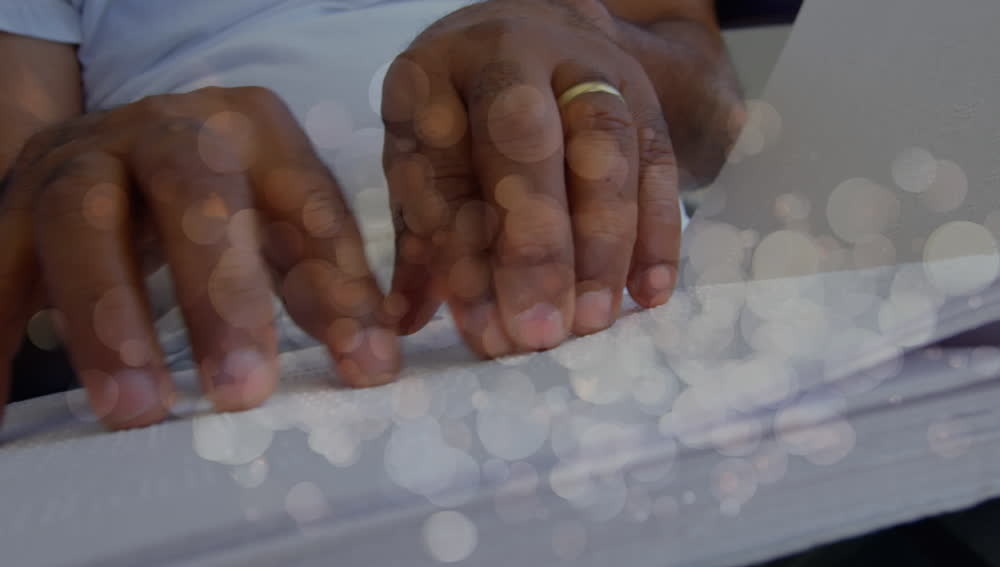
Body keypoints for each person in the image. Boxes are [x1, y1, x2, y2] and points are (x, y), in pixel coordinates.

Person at [0, 0, 743, 429]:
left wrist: (591, 42)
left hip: (623, 313)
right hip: (214, 369)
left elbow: (719, 119)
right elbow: (22, 199)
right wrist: (94, 165)